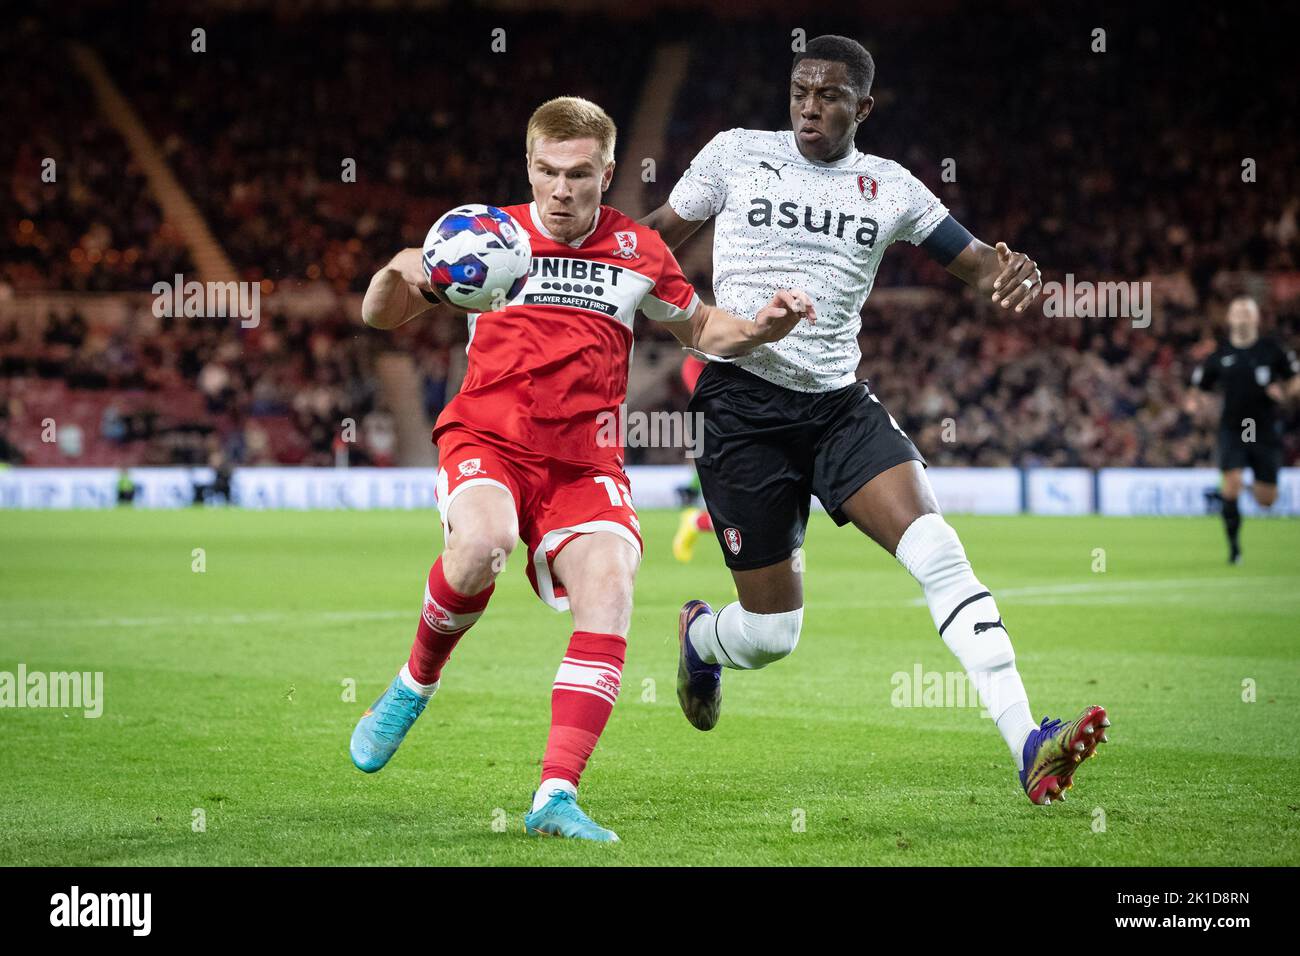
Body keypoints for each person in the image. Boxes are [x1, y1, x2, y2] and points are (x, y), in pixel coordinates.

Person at [641, 35, 1107, 805]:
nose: (809, 107)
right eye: (799, 91)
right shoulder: (734, 154)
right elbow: (654, 237)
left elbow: (976, 261)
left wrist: (1011, 272)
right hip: (741, 409)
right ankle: (700, 637)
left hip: (838, 409)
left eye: (828, 96)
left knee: (941, 553)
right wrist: (593, 279)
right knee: (770, 636)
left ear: (863, 106)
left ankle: (1028, 739)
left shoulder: (891, 187)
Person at [351, 96, 813, 841]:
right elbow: (388, 311)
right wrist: (393, 274)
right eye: (546, 171)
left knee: (612, 586)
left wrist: (761, 325)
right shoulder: (486, 237)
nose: (561, 189)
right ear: (529, 166)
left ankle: (554, 797)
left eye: (580, 174)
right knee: (479, 546)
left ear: (607, 170)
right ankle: (413, 685)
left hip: (585, 460)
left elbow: (701, 327)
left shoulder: (639, 251)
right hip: (489, 438)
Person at [1190, 296, 1299, 563]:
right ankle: (1234, 549)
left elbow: (1295, 381)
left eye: (1246, 311)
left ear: (1256, 318)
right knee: (1231, 484)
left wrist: (1283, 392)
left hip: (1262, 431)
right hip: (1233, 428)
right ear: (1229, 318)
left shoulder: (1272, 350)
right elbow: (1198, 390)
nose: (1241, 315)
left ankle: (1250, 484)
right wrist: (1197, 406)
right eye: (1236, 311)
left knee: (1266, 500)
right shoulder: (1219, 354)